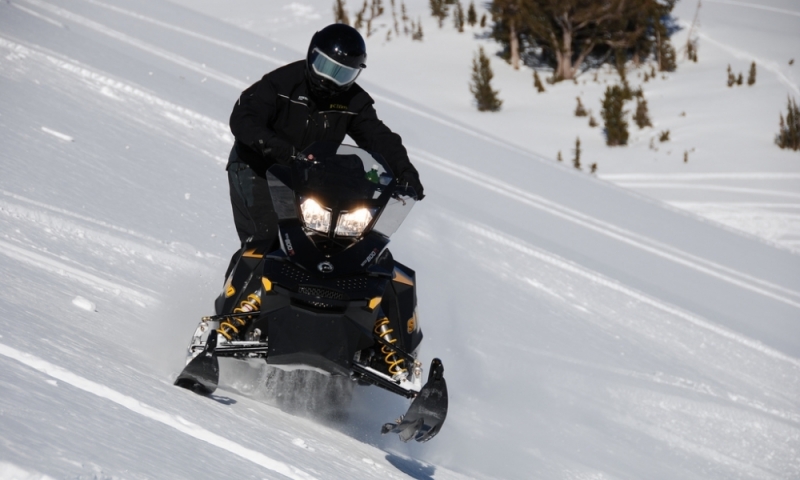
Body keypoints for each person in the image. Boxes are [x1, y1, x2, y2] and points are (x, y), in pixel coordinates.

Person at [225, 23, 424, 258]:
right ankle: (239, 293)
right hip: (256, 168)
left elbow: (378, 137)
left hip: (307, 174)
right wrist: (282, 150)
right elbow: (244, 119)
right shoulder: (280, 84)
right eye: (325, 67)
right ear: (312, 56)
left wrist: (405, 172)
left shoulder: (353, 102)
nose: (331, 81)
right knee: (267, 240)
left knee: (333, 243)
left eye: (343, 74)